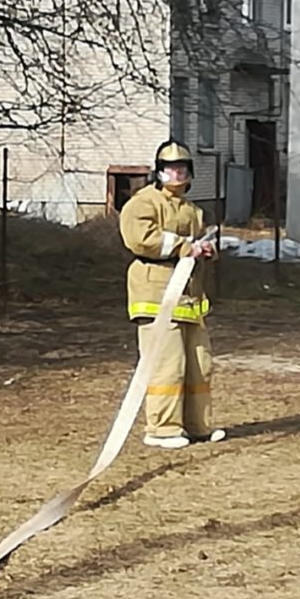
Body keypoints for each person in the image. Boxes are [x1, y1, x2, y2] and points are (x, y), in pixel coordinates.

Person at [119, 140, 226, 450]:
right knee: (168, 365)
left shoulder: (193, 211)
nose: (176, 173)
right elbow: (141, 239)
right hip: (156, 295)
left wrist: (207, 250)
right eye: (169, 168)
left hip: (189, 299)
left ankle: (197, 426)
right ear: (159, 171)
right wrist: (183, 247)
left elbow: (199, 241)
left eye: (181, 168)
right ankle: (162, 429)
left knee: (199, 364)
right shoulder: (144, 203)